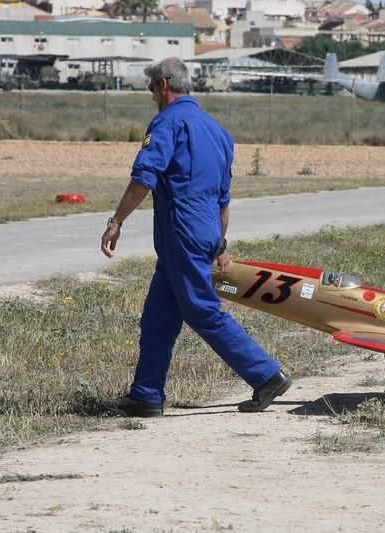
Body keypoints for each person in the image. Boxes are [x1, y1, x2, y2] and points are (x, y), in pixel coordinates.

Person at [100, 57, 292, 417]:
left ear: (163, 84)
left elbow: (144, 177)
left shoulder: (167, 123)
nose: (151, 95)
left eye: (150, 88)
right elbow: (223, 199)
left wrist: (117, 221)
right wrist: (220, 244)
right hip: (203, 232)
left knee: (201, 309)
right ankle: (145, 395)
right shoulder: (218, 132)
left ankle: (266, 374)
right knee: (158, 315)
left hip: (181, 231)